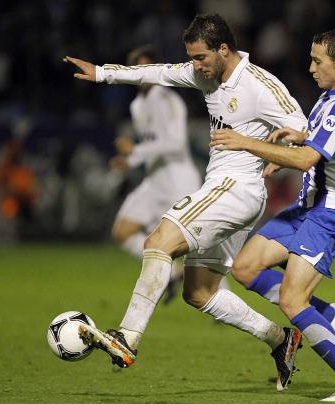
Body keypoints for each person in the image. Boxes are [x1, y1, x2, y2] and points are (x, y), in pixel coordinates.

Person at [65, 13, 309, 390]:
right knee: (199, 293)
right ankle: (280, 339)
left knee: (158, 242)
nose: (195, 66)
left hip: (235, 188)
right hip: (230, 192)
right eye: (192, 58)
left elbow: (302, 126)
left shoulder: (259, 84)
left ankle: (127, 337)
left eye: (200, 57)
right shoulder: (204, 74)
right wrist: (101, 73)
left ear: (223, 49)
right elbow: (158, 72)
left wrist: (277, 148)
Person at [210, 28, 335, 401]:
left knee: (291, 300)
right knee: (245, 267)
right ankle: (329, 315)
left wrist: (247, 143)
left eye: (318, 61)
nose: (311, 68)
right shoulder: (331, 97)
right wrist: (299, 139)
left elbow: (307, 160)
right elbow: (317, 147)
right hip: (308, 206)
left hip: (331, 212)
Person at [109, 45, 202, 304]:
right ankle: (173, 273)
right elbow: (151, 145)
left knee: (196, 245)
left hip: (178, 180)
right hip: (154, 181)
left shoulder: (168, 99)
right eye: (137, 69)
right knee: (123, 231)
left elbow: (176, 143)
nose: (143, 74)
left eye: (147, 68)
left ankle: (218, 294)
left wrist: (135, 151)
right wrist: (129, 160)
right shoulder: (138, 105)